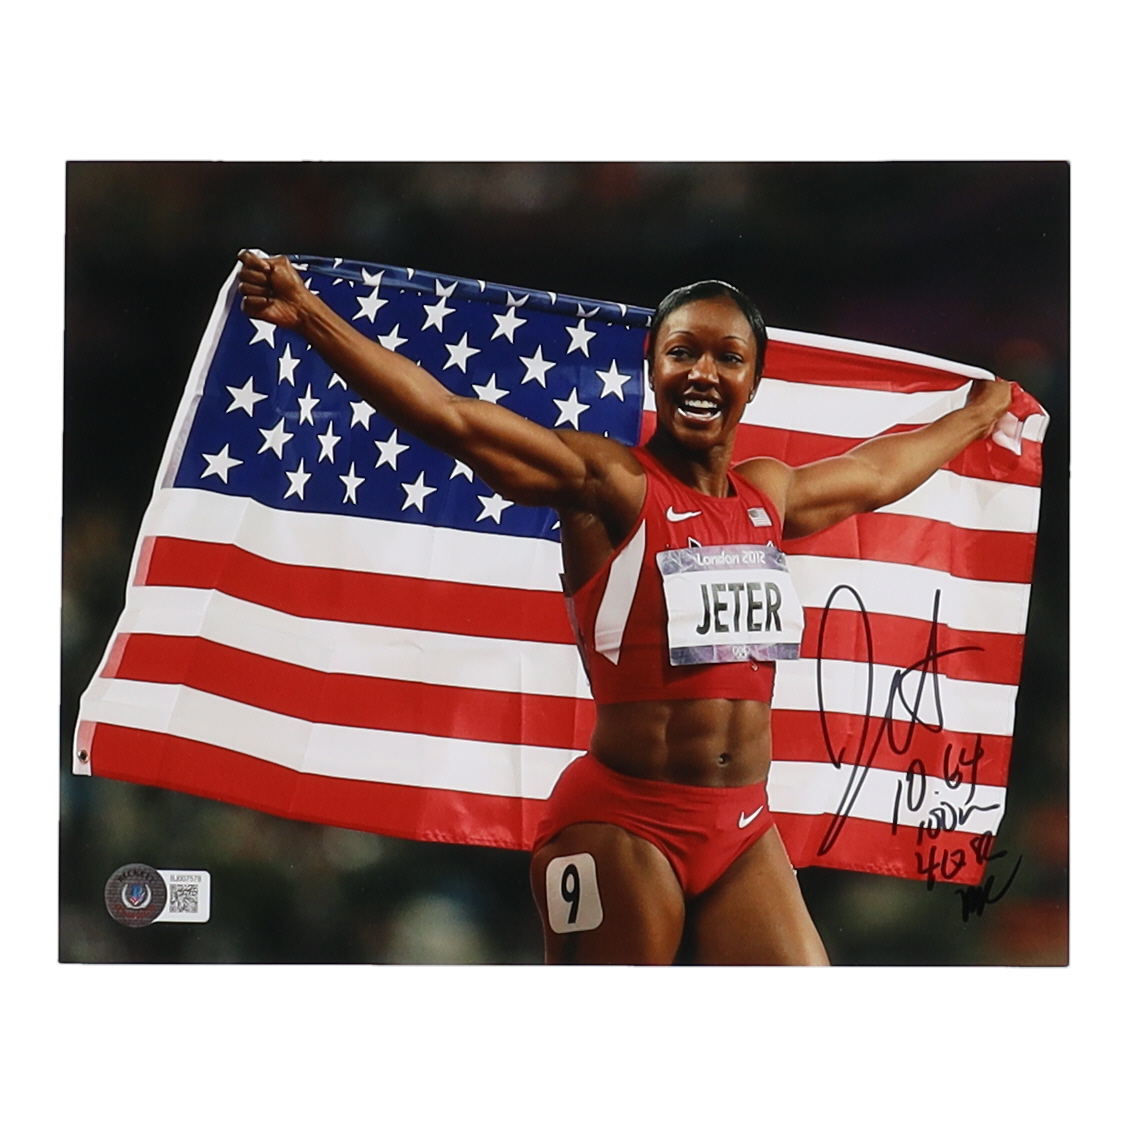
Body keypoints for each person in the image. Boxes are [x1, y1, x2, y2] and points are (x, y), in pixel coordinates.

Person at [236, 251, 1014, 965]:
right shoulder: (610, 484)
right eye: (682, 352)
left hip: (743, 825)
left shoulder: (768, 495)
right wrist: (310, 317)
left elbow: (875, 474)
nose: (702, 372)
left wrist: (978, 417)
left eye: (728, 357)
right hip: (622, 821)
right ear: (652, 367)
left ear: (754, 381)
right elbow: (452, 417)